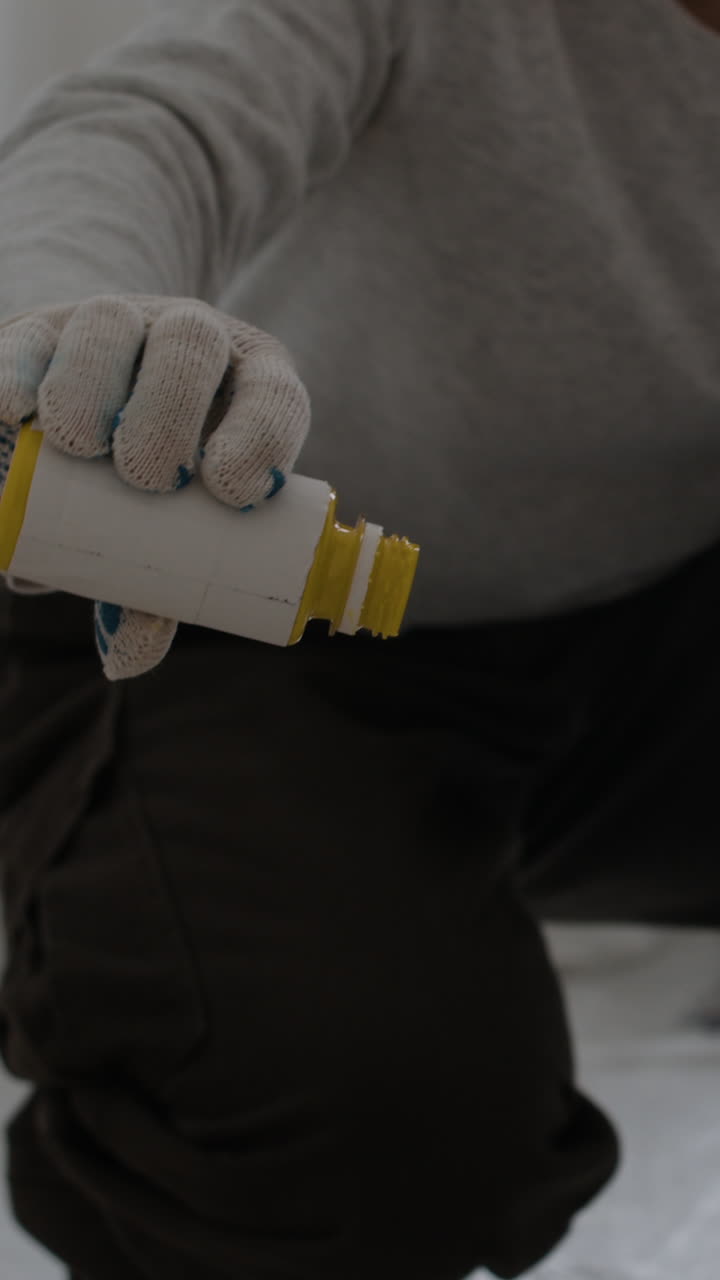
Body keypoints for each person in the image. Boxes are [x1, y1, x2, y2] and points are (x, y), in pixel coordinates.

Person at [1, 1, 720, 1275]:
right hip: (221, 608)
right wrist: (79, 328)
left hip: (653, 620)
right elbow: (152, 125)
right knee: (368, 1112)